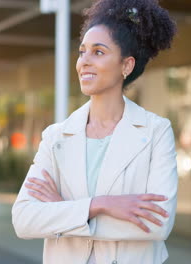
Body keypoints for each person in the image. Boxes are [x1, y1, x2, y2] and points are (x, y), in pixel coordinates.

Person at [12, 0, 177, 263]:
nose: (84, 62)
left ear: (126, 66)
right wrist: (99, 205)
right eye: (82, 52)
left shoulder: (156, 132)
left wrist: (62, 211)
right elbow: (23, 219)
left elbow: (157, 224)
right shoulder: (56, 137)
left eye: (98, 52)